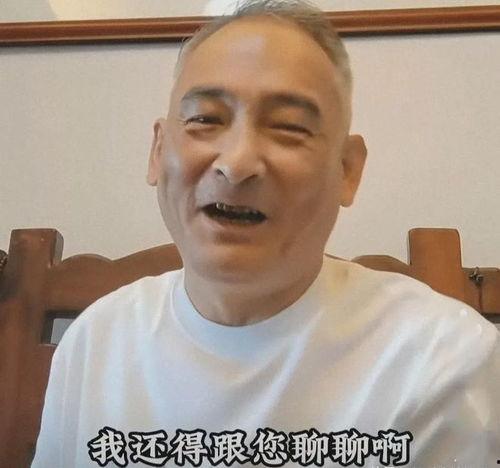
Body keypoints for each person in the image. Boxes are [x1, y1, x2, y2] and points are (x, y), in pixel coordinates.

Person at [32, 1, 499, 467]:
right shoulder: (98, 340)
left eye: (289, 127)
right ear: (158, 151)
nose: (236, 163)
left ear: (347, 169)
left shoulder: (441, 359)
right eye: (205, 119)